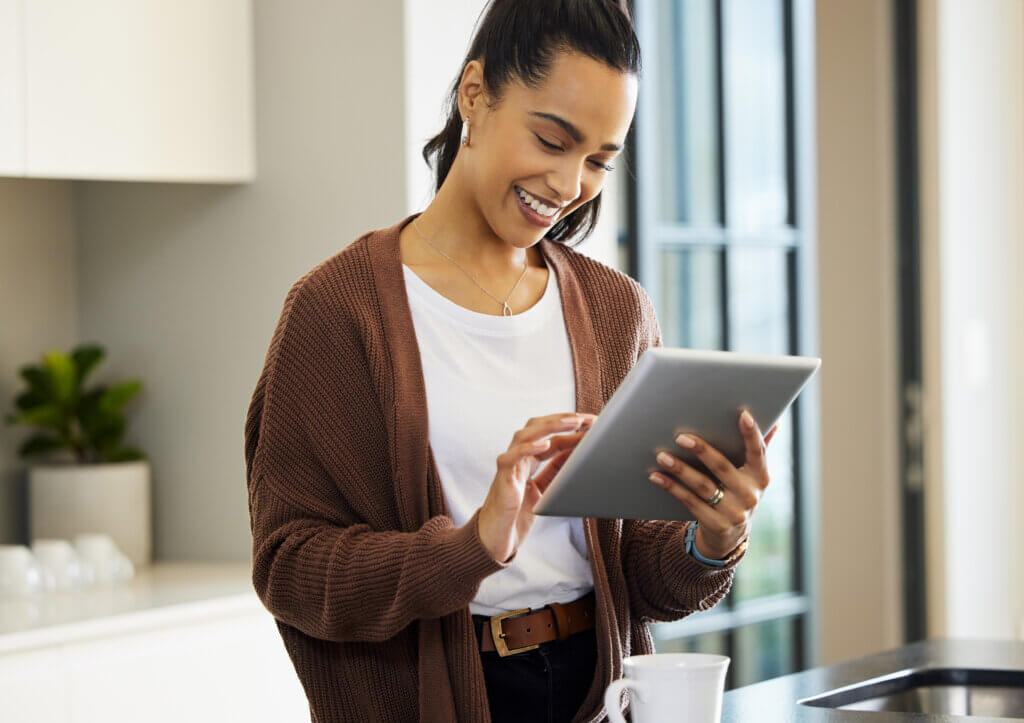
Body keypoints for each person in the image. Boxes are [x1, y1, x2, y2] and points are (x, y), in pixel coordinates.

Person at [244, 1, 778, 721]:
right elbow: (290, 566)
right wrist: (470, 547)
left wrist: (711, 537)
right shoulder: (338, 310)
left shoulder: (617, 311)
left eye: (597, 160)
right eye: (552, 138)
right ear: (475, 93)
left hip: (597, 691)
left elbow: (639, 577)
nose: (569, 184)